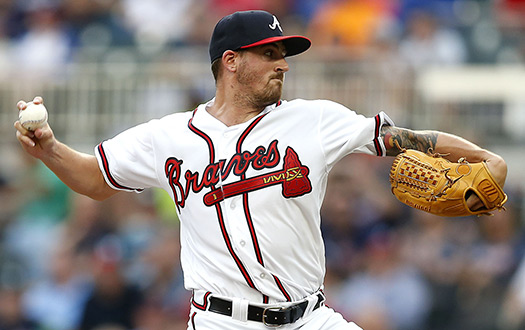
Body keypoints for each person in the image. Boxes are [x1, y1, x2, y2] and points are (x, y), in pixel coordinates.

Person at [14, 10, 507, 330]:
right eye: (269, 54)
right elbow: (93, 180)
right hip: (224, 322)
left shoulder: (314, 119)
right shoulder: (167, 136)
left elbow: (407, 138)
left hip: (310, 318)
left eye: (283, 55)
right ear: (230, 61)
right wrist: (49, 148)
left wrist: (488, 159)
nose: (283, 65)